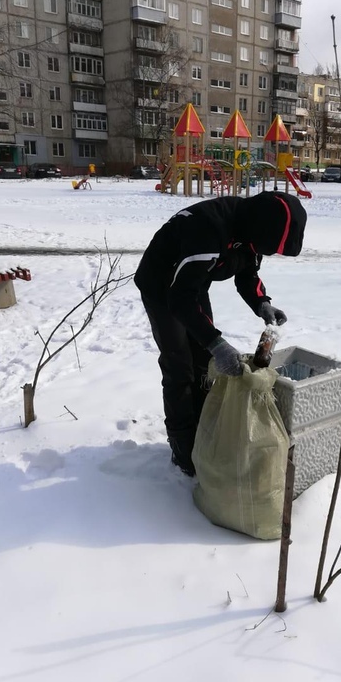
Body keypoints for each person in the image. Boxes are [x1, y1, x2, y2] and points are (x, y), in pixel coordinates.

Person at [134, 191, 307, 477]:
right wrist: (217, 343)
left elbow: (247, 271)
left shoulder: (251, 229)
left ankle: (204, 431)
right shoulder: (209, 228)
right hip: (161, 284)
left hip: (192, 284)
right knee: (179, 364)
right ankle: (183, 448)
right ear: (259, 227)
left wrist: (261, 302)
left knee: (203, 360)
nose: (267, 253)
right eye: (269, 248)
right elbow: (179, 299)